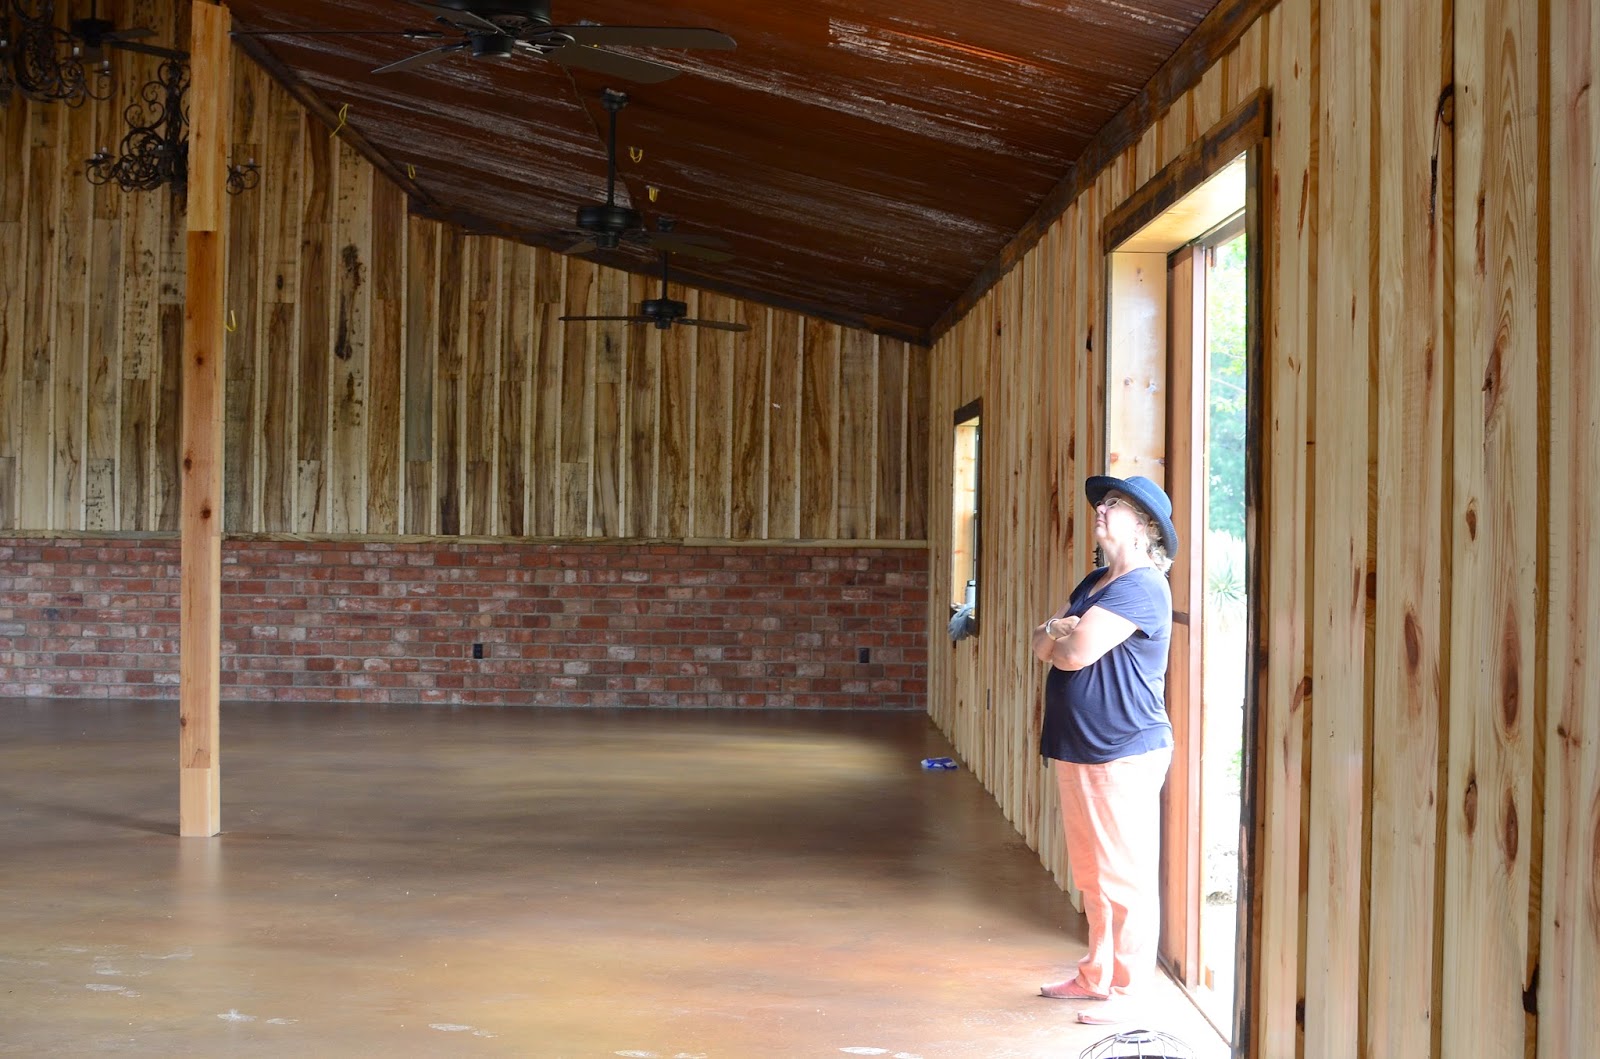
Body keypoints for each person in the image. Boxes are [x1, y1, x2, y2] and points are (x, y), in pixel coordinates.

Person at [1031, 473, 1177, 1026]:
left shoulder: (1141, 587)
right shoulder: (1097, 581)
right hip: (1080, 746)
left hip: (1122, 748)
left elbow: (1072, 654)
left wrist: (1058, 636)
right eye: (1103, 502)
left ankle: (1130, 993)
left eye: (1115, 504)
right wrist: (1056, 630)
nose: (1101, 508)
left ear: (1143, 528)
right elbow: (1041, 643)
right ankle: (1096, 976)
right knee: (1093, 875)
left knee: (1124, 877)